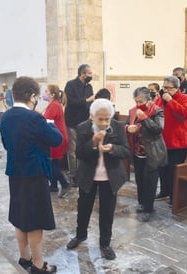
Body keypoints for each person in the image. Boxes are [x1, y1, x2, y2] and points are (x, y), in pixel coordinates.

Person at [0, 76, 62, 274]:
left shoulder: (6, 116)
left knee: (20, 217)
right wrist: (50, 124)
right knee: (35, 221)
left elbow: (5, 144)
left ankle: (24, 258)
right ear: (32, 96)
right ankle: (38, 264)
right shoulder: (35, 118)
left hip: (15, 174)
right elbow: (57, 139)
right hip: (34, 175)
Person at [66, 98, 130, 260]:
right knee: (84, 208)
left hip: (110, 176)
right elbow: (79, 153)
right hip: (89, 175)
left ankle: (105, 244)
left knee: (107, 211)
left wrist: (113, 148)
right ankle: (80, 235)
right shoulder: (83, 128)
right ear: (91, 117)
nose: (104, 123)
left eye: (107, 119)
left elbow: (126, 151)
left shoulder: (117, 127)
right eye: (100, 119)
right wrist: (92, 143)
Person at [125, 87, 167, 222]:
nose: (138, 104)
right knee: (140, 179)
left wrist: (144, 118)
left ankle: (149, 208)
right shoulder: (132, 111)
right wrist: (128, 128)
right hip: (137, 151)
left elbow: (158, 129)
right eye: (136, 101)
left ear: (149, 100)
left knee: (150, 181)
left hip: (152, 152)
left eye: (141, 101)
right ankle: (142, 203)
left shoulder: (157, 111)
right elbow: (126, 125)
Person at [156, 76, 187, 203]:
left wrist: (170, 101)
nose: (165, 90)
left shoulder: (184, 98)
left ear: (177, 88)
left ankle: (174, 196)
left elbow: (186, 113)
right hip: (163, 141)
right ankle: (164, 191)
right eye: (163, 87)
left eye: (168, 88)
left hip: (178, 142)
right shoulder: (160, 99)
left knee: (173, 171)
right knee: (163, 169)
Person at [64, 64, 95, 186]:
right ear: (82, 74)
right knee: (72, 150)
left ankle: (83, 172)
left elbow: (90, 104)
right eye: (89, 73)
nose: (90, 76)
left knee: (84, 148)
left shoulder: (89, 87)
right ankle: (73, 175)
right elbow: (70, 102)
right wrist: (87, 101)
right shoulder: (70, 85)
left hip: (85, 122)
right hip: (72, 121)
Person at [43, 84, 71, 198]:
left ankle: (65, 184)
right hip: (57, 136)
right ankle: (53, 185)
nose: (44, 94)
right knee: (53, 161)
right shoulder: (54, 104)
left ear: (52, 94)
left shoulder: (54, 105)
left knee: (52, 162)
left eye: (46, 91)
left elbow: (46, 121)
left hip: (55, 137)